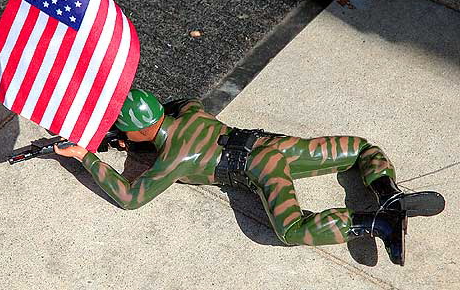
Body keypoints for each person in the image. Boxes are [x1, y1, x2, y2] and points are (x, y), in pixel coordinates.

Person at [54, 89, 445, 265]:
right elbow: (185, 100)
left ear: (137, 131)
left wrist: (87, 156)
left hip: (262, 169)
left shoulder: (175, 158)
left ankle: (374, 221)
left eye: (123, 130)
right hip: (275, 144)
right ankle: (388, 192)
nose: (121, 136)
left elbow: (129, 197)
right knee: (359, 147)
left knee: (290, 229)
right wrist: (137, 142)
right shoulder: (190, 114)